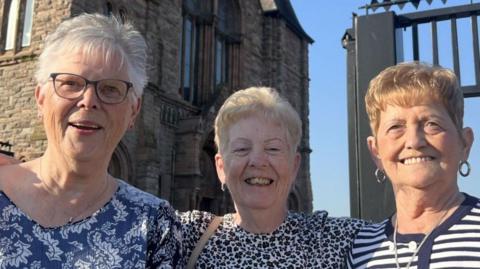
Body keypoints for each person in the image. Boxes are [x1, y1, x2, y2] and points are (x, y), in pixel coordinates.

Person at [0, 13, 183, 268]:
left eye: (110, 89)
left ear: (134, 110)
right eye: (71, 83)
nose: (89, 100)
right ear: (41, 98)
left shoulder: (155, 225)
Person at [180, 86, 366, 268]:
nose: (258, 161)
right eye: (242, 149)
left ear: (294, 166)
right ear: (220, 167)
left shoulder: (339, 240)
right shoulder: (187, 237)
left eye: (273, 149)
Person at [347, 62, 478, 268]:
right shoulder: (361, 249)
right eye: (396, 127)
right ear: (376, 151)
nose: (414, 141)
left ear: (465, 142)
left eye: (432, 124)